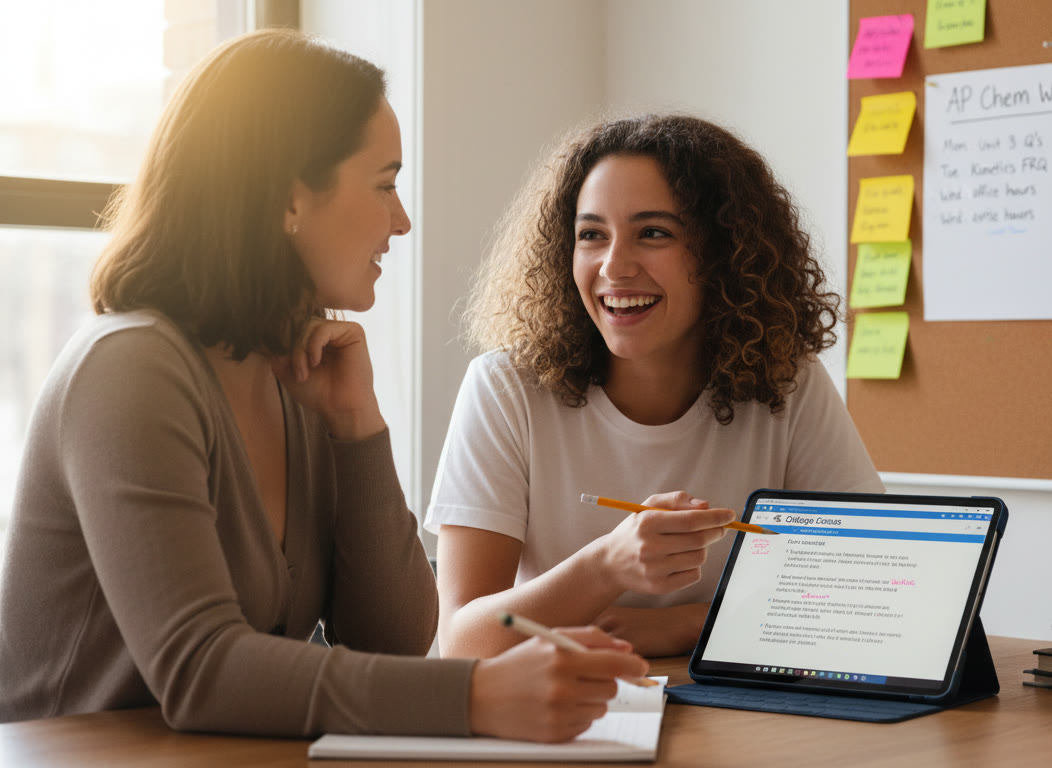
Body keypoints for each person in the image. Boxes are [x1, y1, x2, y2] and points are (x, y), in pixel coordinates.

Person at [0, 29, 646, 742]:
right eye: (384, 183)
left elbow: (392, 638)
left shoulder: (296, 372)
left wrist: (357, 428)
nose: (401, 221)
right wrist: (475, 695)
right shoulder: (128, 371)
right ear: (287, 199)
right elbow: (199, 671)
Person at [429, 114, 885, 660]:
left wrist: (691, 625)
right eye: (591, 235)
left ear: (725, 254)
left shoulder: (789, 386)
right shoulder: (505, 389)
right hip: (567, 719)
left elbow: (866, 592)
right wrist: (607, 565)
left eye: (654, 233)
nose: (614, 266)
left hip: (741, 718)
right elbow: (462, 641)